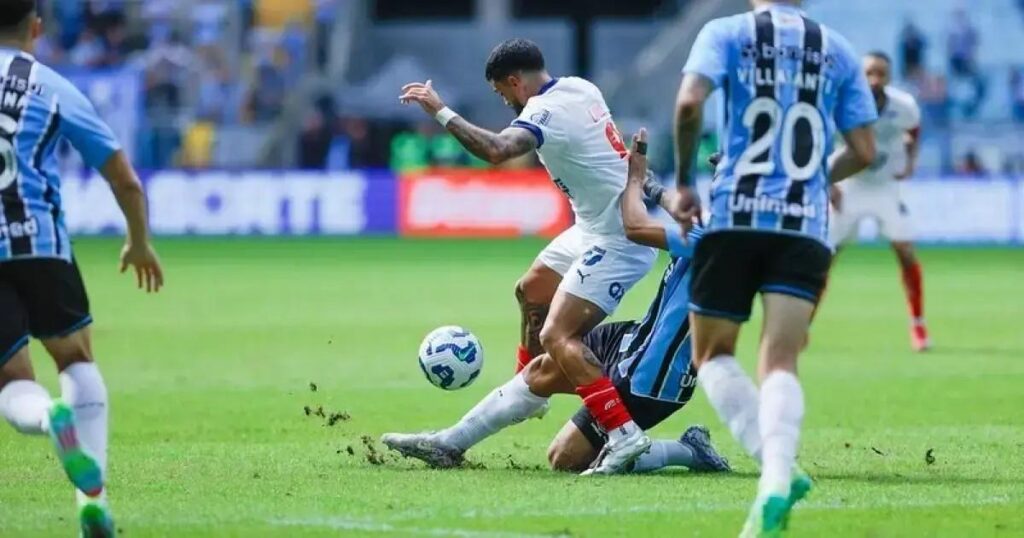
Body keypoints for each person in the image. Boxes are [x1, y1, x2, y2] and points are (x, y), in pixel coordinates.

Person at [383, 131, 731, 476]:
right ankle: (448, 444)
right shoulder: (723, 227)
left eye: (722, 174)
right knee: (543, 368)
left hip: (654, 374)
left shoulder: (724, 238)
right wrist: (648, 183)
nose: (714, 180)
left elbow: (636, 227)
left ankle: (688, 451)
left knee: (563, 457)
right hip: (635, 340)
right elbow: (681, 212)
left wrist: (636, 181)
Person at [398, 38, 660, 473]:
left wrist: (440, 111)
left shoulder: (545, 111)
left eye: (503, 93)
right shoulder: (580, 87)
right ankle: (527, 392)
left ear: (516, 82)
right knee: (531, 288)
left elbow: (497, 151)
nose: (505, 102)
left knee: (559, 337)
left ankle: (623, 435)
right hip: (591, 227)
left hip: (618, 242)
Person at [670, 1, 877, 535]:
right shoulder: (839, 48)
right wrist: (813, 174)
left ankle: (776, 475)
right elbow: (864, 150)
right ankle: (779, 477)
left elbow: (690, 104)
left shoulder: (728, 32)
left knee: (713, 354)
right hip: (803, 226)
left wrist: (688, 179)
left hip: (736, 218)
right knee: (780, 360)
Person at [0, 2, 164, 536]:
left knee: (13, 381)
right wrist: (138, 243)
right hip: (43, 244)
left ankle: (49, 419)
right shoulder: (52, 87)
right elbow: (125, 179)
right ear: (37, 27)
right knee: (75, 360)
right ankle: (92, 500)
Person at [830, 52, 930, 352]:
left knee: (905, 251)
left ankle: (918, 325)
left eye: (881, 73)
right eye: (869, 72)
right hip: (849, 186)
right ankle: (803, 324)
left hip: (885, 186)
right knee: (823, 258)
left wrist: (911, 160)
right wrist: (828, 183)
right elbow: (822, 140)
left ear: (889, 76)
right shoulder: (842, 103)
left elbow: (913, 131)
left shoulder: (904, 106)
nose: (875, 79)